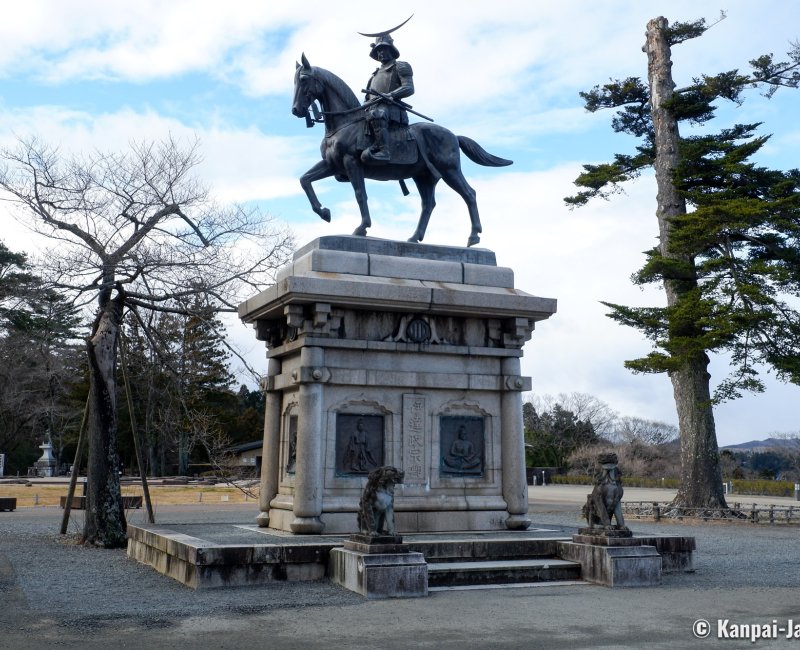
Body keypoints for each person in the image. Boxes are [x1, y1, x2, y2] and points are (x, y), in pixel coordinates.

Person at [362, 32, 414, 164]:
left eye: (384, 49)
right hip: (373, 109)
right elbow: (367, 98)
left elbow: (409, 88)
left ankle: (384, 151)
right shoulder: (373, 76)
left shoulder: (400, 66)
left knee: (377, 114)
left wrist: (390, 95)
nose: (381, 53)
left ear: (391, 50)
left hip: (392, 109)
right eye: (378, 51)